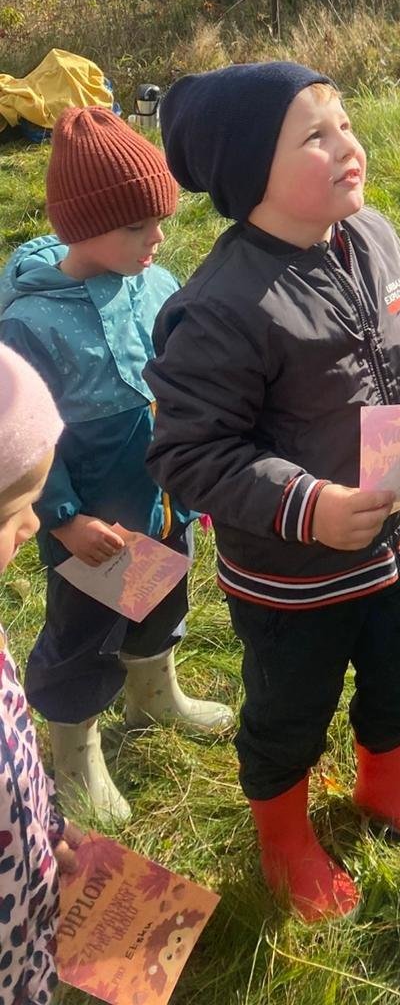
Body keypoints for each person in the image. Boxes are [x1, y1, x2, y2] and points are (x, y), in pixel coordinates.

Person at [144, 63, 400, 924]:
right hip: (294, 578)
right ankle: (284, 837)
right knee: (290, 709)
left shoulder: (368, 233)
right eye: (314, 136)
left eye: (344, 123)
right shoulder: (223, 307)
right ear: (252, 173)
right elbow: (190, 453)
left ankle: (389, 782)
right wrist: (308, 505)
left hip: (397, 533)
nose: (347, 144)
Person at [0, 108, 232, 828]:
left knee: (162, 601)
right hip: (94, 529)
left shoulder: (155, 283)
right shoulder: (29, 324)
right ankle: (75, 752)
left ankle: (153, 696)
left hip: (165, 501)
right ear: (82, 227)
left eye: (159, 221)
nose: (156, 238)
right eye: (136, 226)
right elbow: (26, 441)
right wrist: (63, 520)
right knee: (84, 636)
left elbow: (185, 379)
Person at [0, 341, 82, 1005]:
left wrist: (45, 824)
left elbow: (16, 747)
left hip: (24, 904)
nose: (32, 524)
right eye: (11, 512)